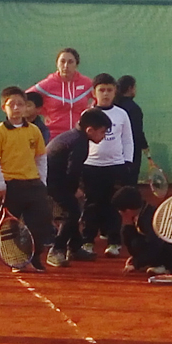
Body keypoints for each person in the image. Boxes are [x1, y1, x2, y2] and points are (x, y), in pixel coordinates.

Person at [0, 86, 52, 272]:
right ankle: (18, 260)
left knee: (40, 223)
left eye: (20, 104)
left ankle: (35, 257)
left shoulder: (34, 131)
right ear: (3, 108)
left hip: (33, 185)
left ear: (26, 107)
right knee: (11, 228)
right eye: (12, 104)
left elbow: (41, 157)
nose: (16, 108)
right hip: (10, 186)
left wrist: (42, 181)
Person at [44, 108, 111, 267]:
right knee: (72, 212)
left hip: (55, 179)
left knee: (74, 210)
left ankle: (74, 247)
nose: (103, 136)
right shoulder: (79, 142)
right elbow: (73, 170)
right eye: (102, 132)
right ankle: (57, 250)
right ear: (90, 130)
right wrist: (75, 189)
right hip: (54, 181)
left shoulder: (74, 136)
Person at [81, 73, 134, 258]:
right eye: (101, 90)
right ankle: (87, 241)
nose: (105, 94)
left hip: (115, 167)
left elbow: (128, 140)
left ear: (115, 92)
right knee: (91, 205)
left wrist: (127, 162)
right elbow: (81, 141)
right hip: (91, 167)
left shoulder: (122, 114)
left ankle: (113, 242)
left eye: (109, 90)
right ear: (94, 92)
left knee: (114, 206)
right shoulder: (86, 115)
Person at [112, 186, 172, 275]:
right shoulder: (142, 212)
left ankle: (165, 266)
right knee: (128, 232)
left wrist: (137, 263)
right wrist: (135, 257)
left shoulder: (150, 219)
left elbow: (155, 245)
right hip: (158, 248)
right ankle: (154, 263)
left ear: (128, 211)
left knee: (137, 242)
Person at [27, 48, 93, 142]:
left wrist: (91, 109)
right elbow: (24, 100)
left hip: (79, 135)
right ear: (57, 63)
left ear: (76, 64)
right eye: (62, 61)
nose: (66, 66)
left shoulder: (86, 83)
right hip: (53, 137)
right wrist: (41, 111)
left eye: (70, 62)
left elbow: (100, 97)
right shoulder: (47, 84)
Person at [115, 75, 150, 186]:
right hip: (131, 152)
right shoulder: (134, 108)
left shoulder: (113, 106)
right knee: (130, 183)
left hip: (115, 151)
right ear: (130, 88)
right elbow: (137, 132)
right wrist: (145, 146)